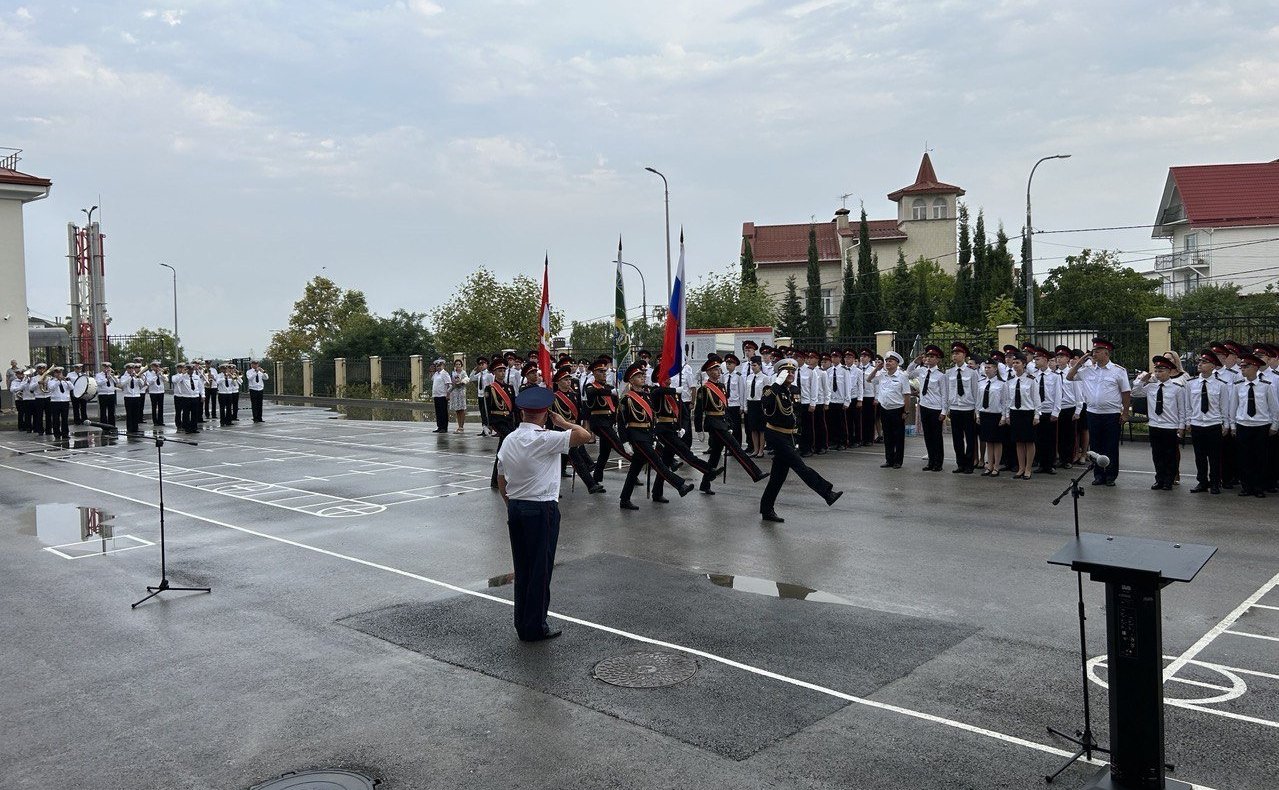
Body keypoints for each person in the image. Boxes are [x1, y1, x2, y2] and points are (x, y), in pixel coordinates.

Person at [496, 385, 592, 642]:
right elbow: (585, 436)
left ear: (522, 412)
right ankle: (535, 627)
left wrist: (510, 504)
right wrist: (562, 422)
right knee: (540, 569)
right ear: (546, 412)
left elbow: (501, 477)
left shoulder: (510, 439)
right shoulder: (546, 438)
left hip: (516, 506)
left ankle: (522, 623)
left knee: (523, 568)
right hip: (541, 509)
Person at [757, 358, 842, 523]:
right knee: (800, 466)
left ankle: (766, 509)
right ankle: (827, 493)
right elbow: (765, 404)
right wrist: (776, 384)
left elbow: (796, 414)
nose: (790, 374)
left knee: (777, 477)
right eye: (786, 371)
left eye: (792, 371)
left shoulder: (794, 389)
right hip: (776, 435)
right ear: (780, 373)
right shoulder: (772, 389)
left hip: (789, 436)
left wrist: (797, 435)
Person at [618, 363, 693, 510]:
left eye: (642, 376)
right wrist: (625, 442)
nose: (642, 378)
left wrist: (653, 438)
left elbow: (652, 418)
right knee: (658, 462)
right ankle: (680, 485)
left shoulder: (646, 395)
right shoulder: (626, 398)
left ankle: (624, 499)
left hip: (646, 436)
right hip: (636, 436)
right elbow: (621, 422)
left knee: (634, 469)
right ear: (631, 380)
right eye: (638, 377)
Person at [694, 359, 766, 493]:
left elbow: (725, 407)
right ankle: (755, 473)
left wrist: (730, 423)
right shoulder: (704, 389)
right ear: (709, 373)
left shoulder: (721, 386)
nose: (718, 371)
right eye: (715, 370)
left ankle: (705, 484)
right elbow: (699, 411)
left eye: (718, 369)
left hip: (722, 422)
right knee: (736, 448)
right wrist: (699, 429)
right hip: (713, 423)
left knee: (715, 455)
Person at [1066, 338, 1131, 486]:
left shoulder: (1118, 371)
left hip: (1111, 413)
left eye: (1097, 351)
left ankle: (1110, 476)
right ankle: (1098, 475)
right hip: (1092, 412)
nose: (1094, 353)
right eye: (1093, 351)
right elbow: (1069, 377)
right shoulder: (1087, 370)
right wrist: (1080, 362)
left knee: (1110, 446)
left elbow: (1126, 393)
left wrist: (1125, 413)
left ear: (1106, 353)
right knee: (1095, 446)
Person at [1132, 356, 1188, 491]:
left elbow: (1182, 409)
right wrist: (1141, 381)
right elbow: (1135, 392)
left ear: (1169, 372)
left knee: (1170, 455)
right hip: (1154, 425)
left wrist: (1181, 426)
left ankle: (1169, 480)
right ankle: (1159, 479)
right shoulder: (1151, 387)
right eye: (1156, 371)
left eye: (1161, 371)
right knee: (1157, 454)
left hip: (1170, 426)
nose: (1158, 374)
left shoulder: (1177, 388)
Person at [1229, 352, 1279, 498]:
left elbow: (1274, 407)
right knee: (1244, 458)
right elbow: (1233, 407)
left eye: (1246, 366)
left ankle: (1258, 487)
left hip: (1261, 425)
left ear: (1255, 367)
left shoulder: (1266, 386)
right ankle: (1246, 486)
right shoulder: (1238, 386)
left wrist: (1274, 425)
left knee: (1260, 457)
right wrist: (1233, 425)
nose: (1242, 369)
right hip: (1243, 424)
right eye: (1242, 366)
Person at [549, 367, 605, 494]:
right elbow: (551, 416)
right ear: (558, 382)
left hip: (573, 429)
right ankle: (591, 484)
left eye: (569, 379)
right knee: (576, 459)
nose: (568, 382)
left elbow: (579, 413)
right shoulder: (554, 397)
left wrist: (583, 427)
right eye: (565, 380)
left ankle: (591, 482)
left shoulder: (574, 395)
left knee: (569, 459)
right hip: (561, 431)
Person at [584, 359, 630, 482]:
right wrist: (611, 392)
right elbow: (593, 392)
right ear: (594, 373)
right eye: (600, 371)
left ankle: (596, 478)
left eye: (605, 371)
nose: (604, 373)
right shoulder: (591, 386)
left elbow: (615, 406)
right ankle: (635, 462)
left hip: (608, 422)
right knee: (617, 444)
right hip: (598, 423)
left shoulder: (609, 387)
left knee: (604, 452)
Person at [907, 345, 948, 471]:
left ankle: (938, 462)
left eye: (932, 357)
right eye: (927, 356)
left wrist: (944, 411)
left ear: (938, 359)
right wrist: (915, 361)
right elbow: (908, 373)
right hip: (924, 406)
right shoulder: (922, 370)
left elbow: (945, 395)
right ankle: (931, 461)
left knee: (936, 437)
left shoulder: (941, 376)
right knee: (928, 436)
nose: (928, 359)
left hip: (935, 408)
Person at [869, 351, 911, 469]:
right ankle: (889, 460)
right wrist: (876, 369)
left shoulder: (902, 376)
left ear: (897, 363)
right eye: (886, 361)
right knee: (887, 436)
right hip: (885, 409)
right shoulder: (882, 375)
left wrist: (906, 411)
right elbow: (869, 379)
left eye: (890, 361)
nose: (887, 363)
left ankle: (898, 461)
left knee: (898, 437)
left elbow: (907, 395)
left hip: (897, 410)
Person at [1006, 353, 1040, 479]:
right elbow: (1008, 400)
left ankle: (1028, 468)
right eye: (1013, 363)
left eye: (1017, 363)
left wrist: (1037, 415)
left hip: (1027, 413)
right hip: (1015, 412)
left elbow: (1036, 399)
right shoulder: (1010, 380)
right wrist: (1007, 415)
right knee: (1018, 442)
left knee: (1029, 442)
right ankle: (1021, 467)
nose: (1015, 365)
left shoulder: (1031, 379)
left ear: (1024, 364)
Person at [486, 358, 518, 488]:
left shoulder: (509, 388)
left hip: (509, 421)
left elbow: (514, 407)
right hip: (498, 421)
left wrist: (516, 422)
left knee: (502, 451)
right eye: (499, 371)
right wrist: (488, 424)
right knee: (508, 448)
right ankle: (498, 479)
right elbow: (488, 407)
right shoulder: (490, 388)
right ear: (494, 372)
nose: (502, 373)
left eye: (504, 370)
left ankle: (496, 480)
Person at [976, 355, 1010, 476]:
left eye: (989, 367)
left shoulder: (1002, 384)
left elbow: (1005, 402)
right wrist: (978, 414)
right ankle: (989, 465)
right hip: (985, 414)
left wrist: (1004, 417)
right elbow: (979, 400)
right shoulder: (981, 383)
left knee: (997, 442)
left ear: (995, 369)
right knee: (989, 441)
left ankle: (996, 466)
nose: (987, 369)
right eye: (985, 367)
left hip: (996, 415)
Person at [1032, 348, 1062, 475]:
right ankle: (1041, 463)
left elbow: (1058, 395)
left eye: (1038, 359)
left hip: (1049, 411)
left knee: (1050, 439)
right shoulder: (1034, 376)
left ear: (1045, 360)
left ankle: (1050, 464)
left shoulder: (1055, 376)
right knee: (1038, 438)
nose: (1035, 362)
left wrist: (1056, 412)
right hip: (1038, 412)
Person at [121, 362, 146, 435]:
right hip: (128, 397)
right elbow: (122, 384)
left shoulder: (136, 376)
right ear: (127, 369)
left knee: (136, 413)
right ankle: (129, 428)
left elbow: (142, 385)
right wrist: (130, 377)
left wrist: (138, 378)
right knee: (129, 413)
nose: (131, 370)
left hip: (136, 396)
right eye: (129, 368)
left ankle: (135, 428)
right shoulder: (124, 377)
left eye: (132, 368)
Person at [46, 367, 71, 439]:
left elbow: (72, 387)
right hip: (55, 402)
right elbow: (51, 388)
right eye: (57, 373)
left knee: (65, 419)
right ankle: (57, 434)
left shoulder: (65, 380)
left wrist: (66, 381)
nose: (58, 374)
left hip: (65, 401)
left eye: (60, 373)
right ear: (54, 374)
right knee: (56, 419)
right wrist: (58, 381)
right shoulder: (51, 381)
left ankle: (65, 433)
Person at [472, 356, 493, 436]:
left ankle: (489, 428)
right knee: (482, 413)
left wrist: (489, 394)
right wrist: (475, 370)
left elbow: (492, 385)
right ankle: (484, 429)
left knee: (487, 413)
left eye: (483, 364)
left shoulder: (489, 374)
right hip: (480, 395)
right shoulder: (479, 374)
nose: (481, 366)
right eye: (479, 364)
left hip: (486, 397)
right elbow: (471, 378)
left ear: (487, 364)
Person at [429, 358, 451, 433]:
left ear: (443, 366)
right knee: (438, 412)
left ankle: (444, 427)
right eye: (437, 366)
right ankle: (439, 426)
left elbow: (448, 384)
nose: (438, 367)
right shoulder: (436, 374)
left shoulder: (445, 373)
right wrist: (432, 371)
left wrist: (448, 394)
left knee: (443, 412)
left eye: (439, 366)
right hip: (436, 395)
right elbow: (432, 379)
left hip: (442, 395)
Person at [448, 358, 469, 433]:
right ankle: (458, 426)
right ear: (454, 365)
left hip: (461, 392)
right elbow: (451, 383)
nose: (458, 366)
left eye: (459, 364)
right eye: (456, 364)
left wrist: (462, 382)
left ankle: (461, 427)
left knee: (462, 410)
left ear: (461, 365)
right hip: (454, 393)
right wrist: (448, 392)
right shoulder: (453, 373)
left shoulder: (463, 372)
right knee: (457, 410)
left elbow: (467, 379)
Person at [95, 363, 118, 427]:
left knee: (111, 411)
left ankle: (112, 425)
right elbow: (98, 383)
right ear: (102, 367)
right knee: (103, 411)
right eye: (105, 367)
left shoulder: (112, 375)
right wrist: (106, 378)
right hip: (103, 394)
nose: (107, 369)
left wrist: (113, 376)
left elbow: (117, 382)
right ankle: (104, 426)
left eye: (108, 367)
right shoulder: (98, 375)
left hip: (111, 394)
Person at [144, 361, 167, 425]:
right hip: (153, 392)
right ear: (152, 367)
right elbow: (149, 382)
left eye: (158, 366)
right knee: (154, 407)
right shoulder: (149, 373)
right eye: (155, 366)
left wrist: (161, 375)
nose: (157, 367)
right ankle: (155, 421)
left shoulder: (161, 373)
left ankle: (161, 421)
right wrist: (156, 376)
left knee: (161, 407)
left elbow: (166, 380)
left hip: (161, 391)